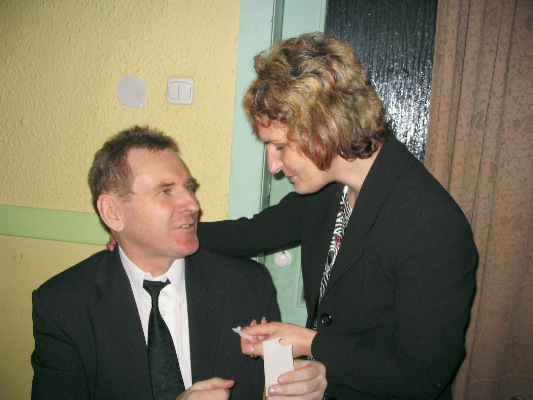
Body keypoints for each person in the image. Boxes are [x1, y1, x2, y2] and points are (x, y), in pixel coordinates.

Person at [197, 32, 478, 400]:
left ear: (324, 127)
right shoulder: (329, 191)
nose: (274, 166)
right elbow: (250, 234)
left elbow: (420, 376)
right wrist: (170, 232)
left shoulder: (432, 227)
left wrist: (308, 342)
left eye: (279, 146)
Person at [31, 126, 327, 400]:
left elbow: (279, 379)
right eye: (165, 191)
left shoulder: (248, 285)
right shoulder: (64, 303)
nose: (193, 205)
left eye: (189, 188)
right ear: (112, 212)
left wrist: (305, 380)